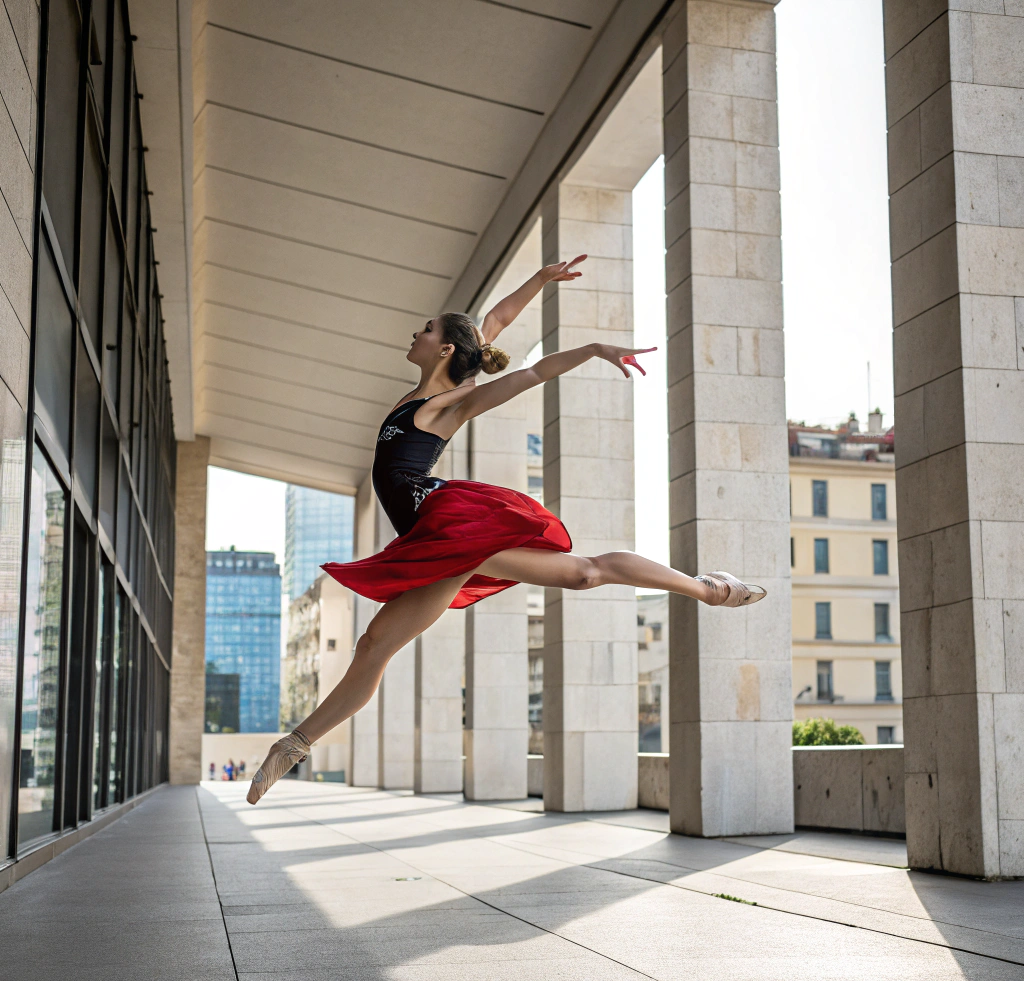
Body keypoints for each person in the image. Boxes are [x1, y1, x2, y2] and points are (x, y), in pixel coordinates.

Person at [247, 255, 765, 805]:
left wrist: (593, 349)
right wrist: (540, 279)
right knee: (374, 644)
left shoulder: (453, 403)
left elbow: (533, 373)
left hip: (446, 520)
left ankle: (708, 588)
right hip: (430, 540)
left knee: (586, 573)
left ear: (445, 349)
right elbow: (492, 322)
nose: (417, 333)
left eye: (427, 329)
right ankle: (293, 745)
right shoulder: (423, 390)